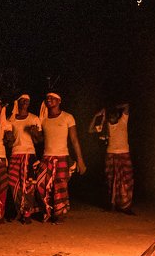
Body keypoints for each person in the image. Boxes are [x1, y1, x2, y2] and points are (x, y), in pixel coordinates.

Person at [36, 92, 86, 223]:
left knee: (60, 186)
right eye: (47, 98)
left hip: (62, 156)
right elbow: (40, 139)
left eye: (53, 98)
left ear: (59, 101)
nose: (49, 100)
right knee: (41, 184)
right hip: (46, 157)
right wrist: (34, 133)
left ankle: (59, 214)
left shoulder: (68, 117)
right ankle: (47, 211)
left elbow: (74, 140)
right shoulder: (43, 119)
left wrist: (80, 160)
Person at [93, 103, 134, 214]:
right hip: (110, 154)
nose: (112, 119)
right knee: (111, 180)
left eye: (114, 117)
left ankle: (126, 206)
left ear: (117, 116)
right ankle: (112, 205)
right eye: (110, 117)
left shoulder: (123, 121)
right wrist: (99, 115)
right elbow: (92, 129)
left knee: (126, 180)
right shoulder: (106, 126)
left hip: (124, 153)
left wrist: (113, 107)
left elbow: (126, 106)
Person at [8, 94, 42, 222]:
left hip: (29, 154)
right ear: (17, 102)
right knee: (13, 183)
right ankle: (20, 210)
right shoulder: (11, 120)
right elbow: (9, 141)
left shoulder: (34, 118)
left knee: (28, 185)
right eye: (22, 100)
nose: (25, 102)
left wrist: (35, 133)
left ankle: (27, 213)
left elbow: (39, 140)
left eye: (27, 100)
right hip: (15, 153)